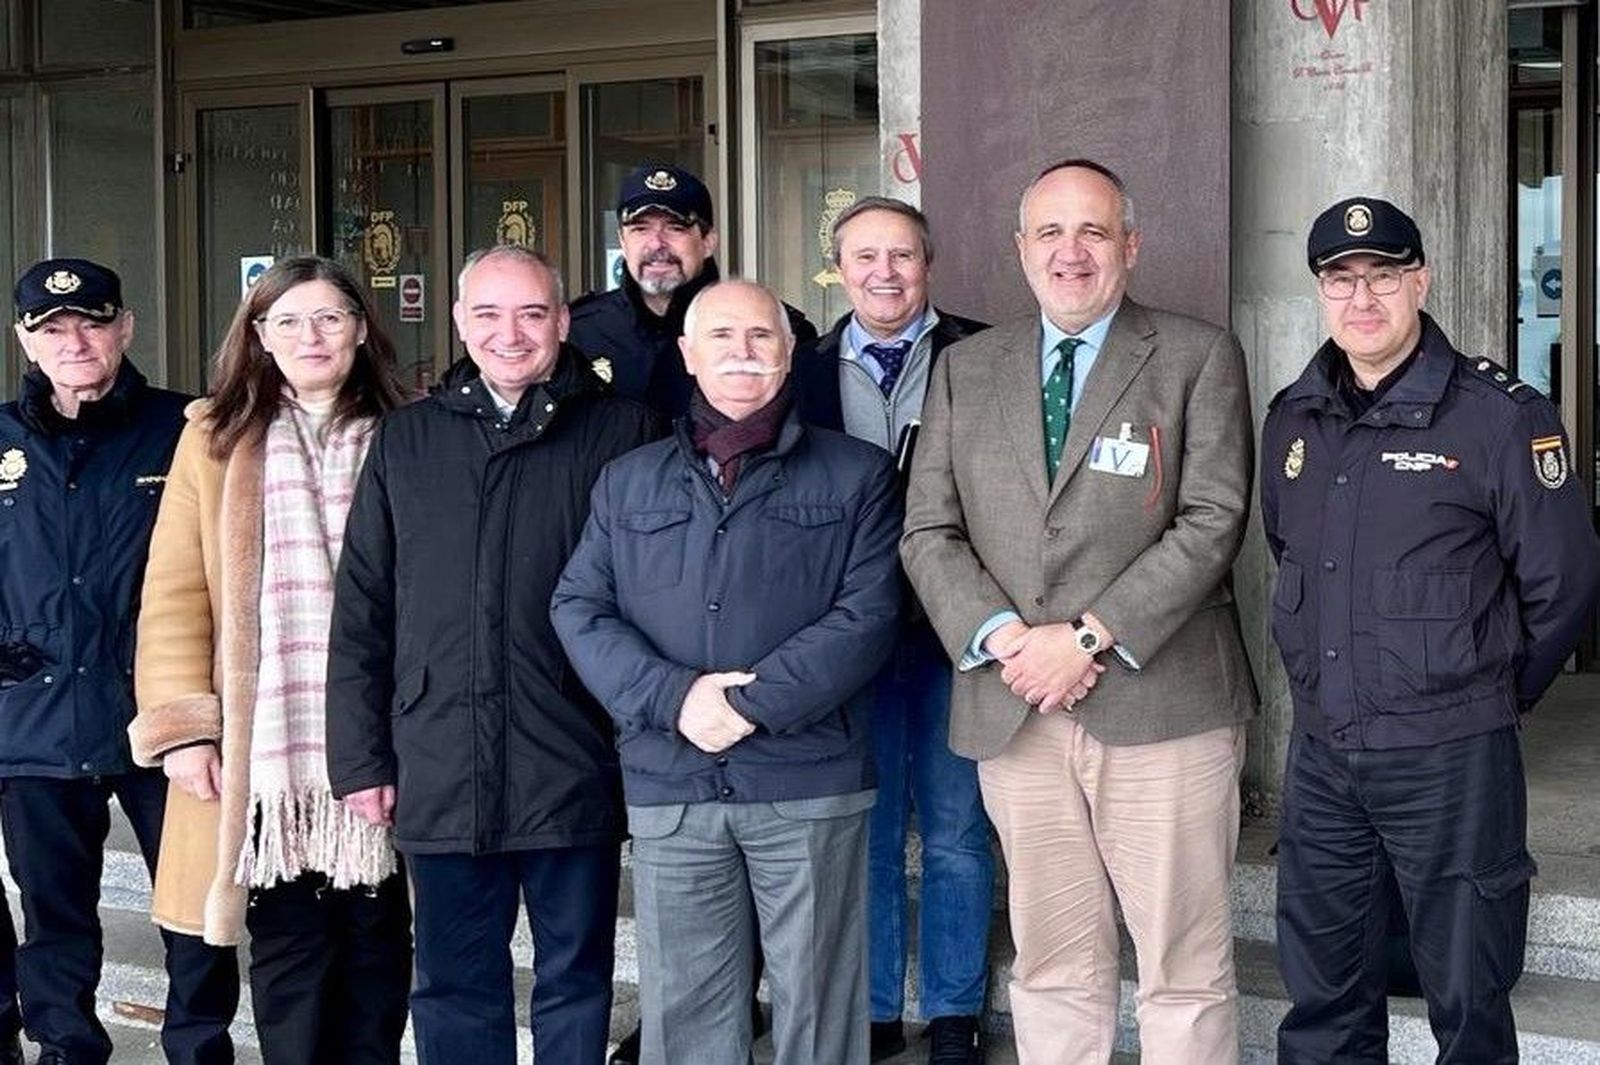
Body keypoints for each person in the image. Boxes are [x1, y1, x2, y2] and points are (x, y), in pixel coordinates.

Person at [900, 159, 1258, 1065]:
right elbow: (928, 531)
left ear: (1129, 247)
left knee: (1183, 964)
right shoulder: (963, 370)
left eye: (1093, 231)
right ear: (1021, 250)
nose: (1071, 252)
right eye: (1050, 233)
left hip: (1163, 705)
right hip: (1017, 705)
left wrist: (1090, 636)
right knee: (1051, 963)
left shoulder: (1196, 355)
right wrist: (1009, 639)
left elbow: (1214, 519)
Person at [1262, 197, 1600, 1064]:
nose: (1361, 297)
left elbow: (1563, 587)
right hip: (1325, 754)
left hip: (1452, 758)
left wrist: (1485, 695)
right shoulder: (1294, 417)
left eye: (1382, 275)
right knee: (1324, 996)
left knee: (1467, 999)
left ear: (1421, 280)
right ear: (1320, 291)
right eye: (1342, 278)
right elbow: (1286, 550)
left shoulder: (1499, 415)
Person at [552, 279, 903, 1065]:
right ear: (687, 354)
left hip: (809, 781)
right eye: (721, 337)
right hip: (673, 782)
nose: (742, 353)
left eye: (760, 337)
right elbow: (579, 607)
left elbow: (868, 615)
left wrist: (747, 704)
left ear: (788, 354)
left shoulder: (858, 474)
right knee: (688, 1016)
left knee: (819, 1011)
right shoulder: (629, 480)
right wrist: (675, 699)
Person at [326, 245, 660, 1065]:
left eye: (531, 313)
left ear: (563, 319)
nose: (510, 334)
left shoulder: (625, 432)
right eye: (488, 314)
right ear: (458, 324)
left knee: (576, 977)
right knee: (451, 979)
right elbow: (364, 606)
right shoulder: (407, 440)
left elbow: (654, 604)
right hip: (438, 754)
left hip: (573, 754)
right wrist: (361, 757)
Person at [129, 256, 412, 1064]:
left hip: (382, 735)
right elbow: (175, 590)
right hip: (269, 754)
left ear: (360, 327)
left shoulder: (411, 430)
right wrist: (184, 727)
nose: (309, 335)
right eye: (286, 320)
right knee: (289, 949)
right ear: (258, 335)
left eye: (328, 317)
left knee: (378, 944)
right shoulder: (214, 438)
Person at [0, 258, 240, 1065]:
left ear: (126, 328)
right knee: (55, 912)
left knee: (194, 908)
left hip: (165, 719)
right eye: (51, 327)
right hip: (33, 722)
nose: (75, 341)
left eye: (92, 321)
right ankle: (67, 1047)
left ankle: (199, 1047)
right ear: (24, 341)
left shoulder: (191, 427)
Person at [794, 196, 994, 1065]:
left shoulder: (987, 356)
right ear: (838, 267)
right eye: (865, 256)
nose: (885, 272)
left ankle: (955, 1009)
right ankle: (872, 1007)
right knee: (866, 827)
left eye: (903, 255)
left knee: (955, 825)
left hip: (958, 631)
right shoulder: (799, 369)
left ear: (930, 264)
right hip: (844, 638)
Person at [568, 163, 818, 417]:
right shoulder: (580, 332)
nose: (656, 243)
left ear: (708, 242)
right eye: (640, 229)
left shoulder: (778, 328)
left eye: (676, 227)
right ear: (623, 241)